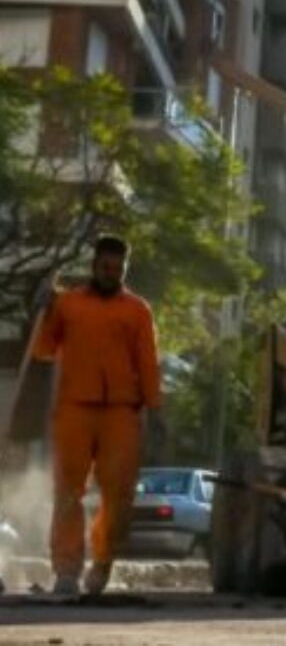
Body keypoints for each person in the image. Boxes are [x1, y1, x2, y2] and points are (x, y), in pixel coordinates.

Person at [33, 235, 166, 596]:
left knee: (118, 495)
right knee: (67, 493)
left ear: (125, 269)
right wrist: (43, 309)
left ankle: (102, 563)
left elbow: (147, 363)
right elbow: (45, 349)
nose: (111, 273)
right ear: (94, 266)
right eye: (105, 267)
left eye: (118, 269)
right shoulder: (69, 305)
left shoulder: (137, 310)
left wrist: (155, 409)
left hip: (121, 412)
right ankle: (66, 569)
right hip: (74, 407)